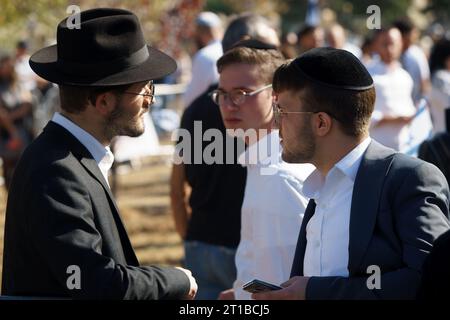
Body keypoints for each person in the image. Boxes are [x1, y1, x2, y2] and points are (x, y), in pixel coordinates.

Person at [2, 8, 197, 300]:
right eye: (143, 89)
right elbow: (95, 284)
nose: (149, 100)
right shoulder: (56, 170)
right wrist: (176, 279)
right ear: (104, 101)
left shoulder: (70, 157)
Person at [251, 47, 449, 300]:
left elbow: (429, 280)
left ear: (321, 122)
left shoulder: (408, 179)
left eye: (282, 112)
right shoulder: (318, 187)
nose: (275, 123)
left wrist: (314, 292)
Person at [170, 13, 279, 300]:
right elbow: (177, 181)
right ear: (246, 46)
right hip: (238, 248)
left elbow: (176, 184)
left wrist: (189, 236)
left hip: (204, 243)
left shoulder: (193, 109)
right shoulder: (259, 115)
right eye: (269, 48)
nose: (279, 57)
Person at [215, 39, 314, 300]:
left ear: (276, 96)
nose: (228, 104)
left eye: (241, 93)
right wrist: (239, 294)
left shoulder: (280, 176)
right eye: (222, 94)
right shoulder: (260, 164)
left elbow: (285, 284)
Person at [368, 27, 417, 151]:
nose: (389, 49)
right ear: (376, 45)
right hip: (376, 145)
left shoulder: (404, 76)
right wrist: (391, 119)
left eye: (393, 44)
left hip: (404, 146)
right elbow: (362, 113)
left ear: (401, 45)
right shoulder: (367, 74)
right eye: (385, 44)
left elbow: (409, 108)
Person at [182, 11, 223, 108]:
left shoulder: (204, 55)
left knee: (196, 122)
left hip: (202, 116)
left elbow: (193, 97)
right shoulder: (227, 49)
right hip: (221, 112)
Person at [393, 19, 431, 104]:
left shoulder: (417, 54)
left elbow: (424, 80)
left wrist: (422, 103)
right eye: (414, 32)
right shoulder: (390, 54)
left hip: (414, 105)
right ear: (404, 35)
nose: (416, 36)